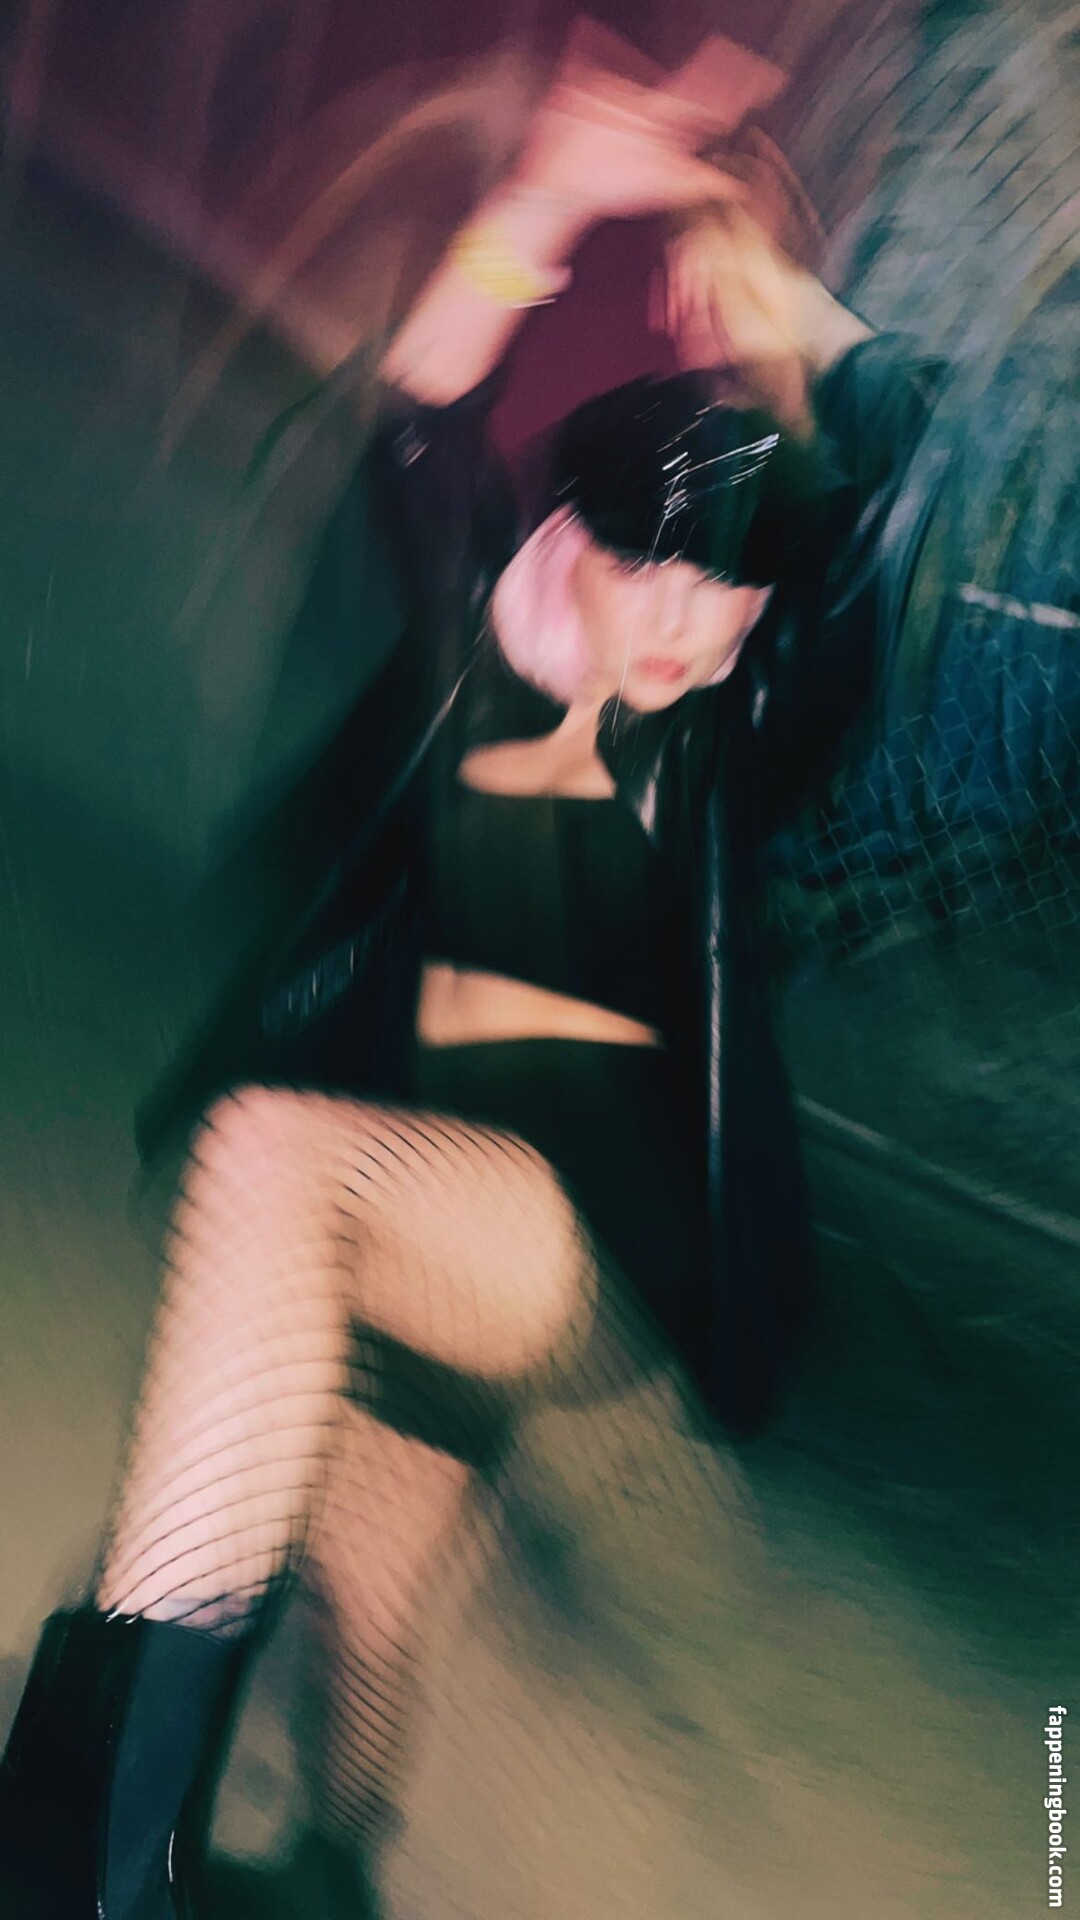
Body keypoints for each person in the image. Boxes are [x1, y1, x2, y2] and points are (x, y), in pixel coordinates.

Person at [0, 36, 944, 1920]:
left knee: (269, 1167)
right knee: (358, 1559)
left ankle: (83, 1868)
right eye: (652, 571)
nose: (692, 623)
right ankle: (326, 1861)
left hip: (587, 1235)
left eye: (730, 585)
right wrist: (544, 198)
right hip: (417, 1177)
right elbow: (420, 419)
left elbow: (898, 447)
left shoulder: (745, 724)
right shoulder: (471, 642)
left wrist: (773, 292)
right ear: (565, 542)